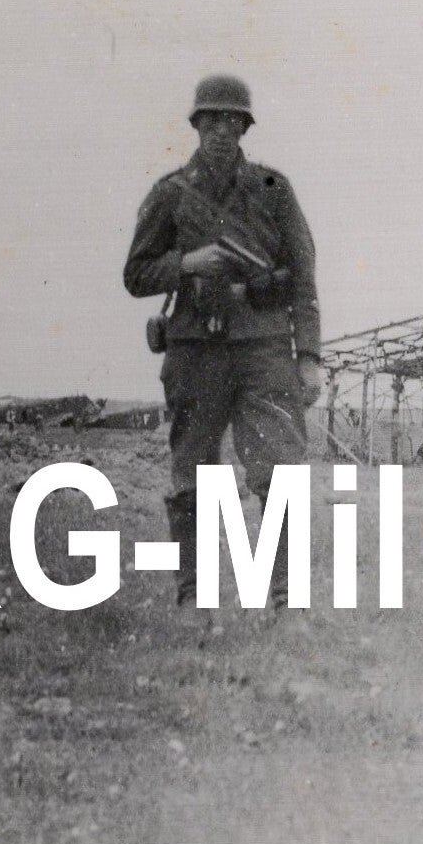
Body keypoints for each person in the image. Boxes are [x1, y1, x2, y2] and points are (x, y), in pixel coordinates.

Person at [124, 75, 322, 628]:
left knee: (280, 474)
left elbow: (303, 275)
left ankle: (288, 602)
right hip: (195, 349)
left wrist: (309, 356)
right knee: (193, 475)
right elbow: (136, 274)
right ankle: (195, 598)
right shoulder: (170, 193)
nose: (219, 131)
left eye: (230, 120)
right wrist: (187, 264)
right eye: (210, 120)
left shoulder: (272, 189)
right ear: (196, 125)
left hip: (264, 350)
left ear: (243, 127)